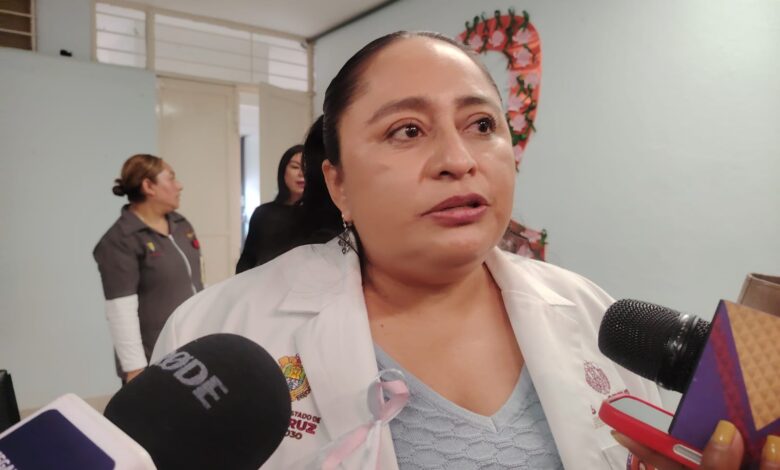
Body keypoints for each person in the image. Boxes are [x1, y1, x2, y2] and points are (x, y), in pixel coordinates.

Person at [151, 32, 775, 469]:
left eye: (481, 125)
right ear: (337, 183)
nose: (457, 159)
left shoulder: (589, 312)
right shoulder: (220, 329)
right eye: (407, 130)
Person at [94, 154, 203, 383]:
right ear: (148, 186)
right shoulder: (121, 240)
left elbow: (196, 282)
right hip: (156, 357)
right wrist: (135, 369)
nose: (179, 185)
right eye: (171, 178)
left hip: (194, 348)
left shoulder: (181, 224)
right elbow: (120, 310)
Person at [235, 144, 305, 273]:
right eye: (295, 167)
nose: (301, 173)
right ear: (283, 172)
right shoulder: (263, 213)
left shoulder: (321, 214)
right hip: (267, 282)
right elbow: (247, 259)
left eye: (307, 167)